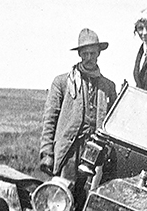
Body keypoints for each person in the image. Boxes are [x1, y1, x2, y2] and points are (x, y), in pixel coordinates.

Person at [40, 28, 117, 180]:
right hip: (69, 152)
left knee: (91, 199)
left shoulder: (108, 86)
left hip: (96, 155)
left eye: (92, 53)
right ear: (79, 54)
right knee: (62, 197)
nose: (89, 58)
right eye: (85, 54)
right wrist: (47, 153)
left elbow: (113, 125)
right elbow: (50, 120)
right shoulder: (62, 82)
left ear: (99, 53)